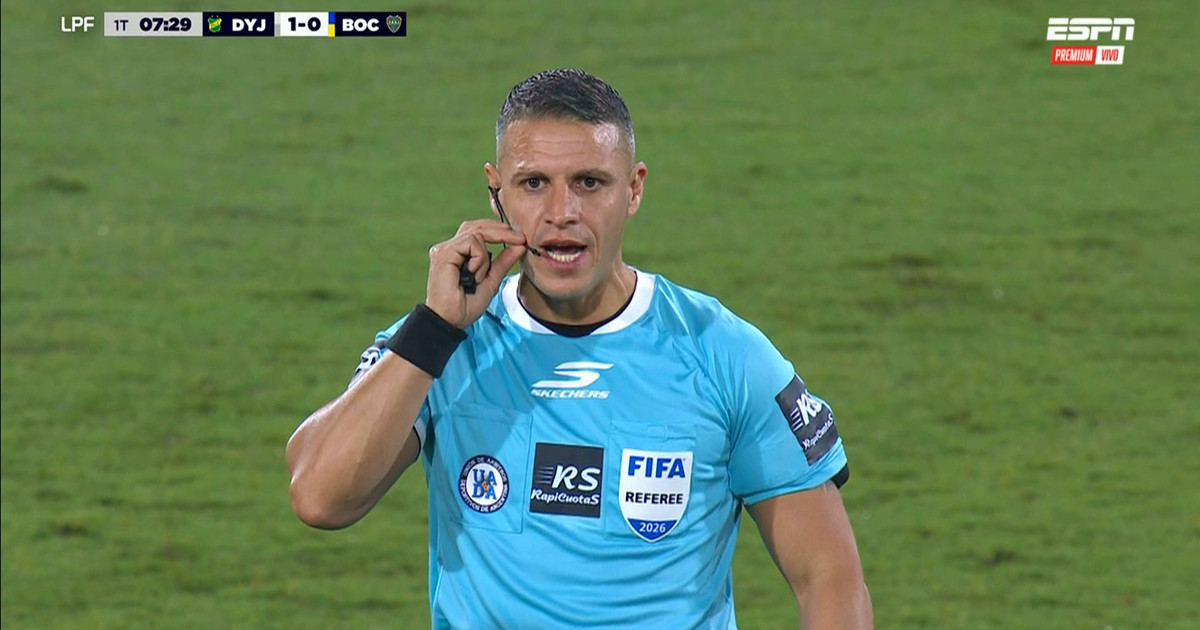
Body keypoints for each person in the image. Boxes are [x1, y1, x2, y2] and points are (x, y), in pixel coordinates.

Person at [286, 68, 873, 629]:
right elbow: (319, 498)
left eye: (589, 183)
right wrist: (436, 328)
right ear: (496, 192)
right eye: (533, 183)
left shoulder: (724, 356)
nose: (561, 213)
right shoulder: (438, 347)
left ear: (633, 189)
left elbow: (829, 576)